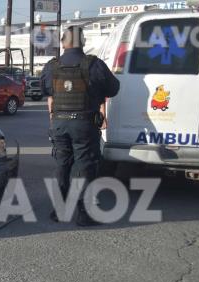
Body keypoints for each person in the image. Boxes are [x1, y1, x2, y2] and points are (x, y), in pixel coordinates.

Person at [40, 26, 120, 226]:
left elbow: (44, 89)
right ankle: (84, 214)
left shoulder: (51, 66)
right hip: (84, 124)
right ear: (82, 42)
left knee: (62, 164)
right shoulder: (94, 64)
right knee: (85, 165)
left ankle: (59, 210)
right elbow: (113, 88)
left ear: (62, 42)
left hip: (59, 123)